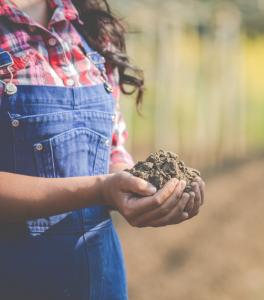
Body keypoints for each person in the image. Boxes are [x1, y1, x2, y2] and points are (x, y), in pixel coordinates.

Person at [0, 0, 206, 299]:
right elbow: (101, 183)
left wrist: (139, 187)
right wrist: (101, 190)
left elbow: (110, 150)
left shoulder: (88, 29)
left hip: (99, 281)